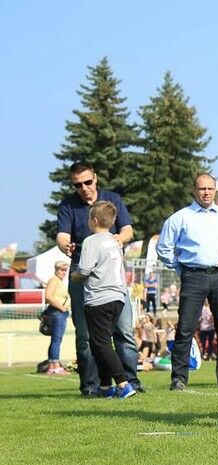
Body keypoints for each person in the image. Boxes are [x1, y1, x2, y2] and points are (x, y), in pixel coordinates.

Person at [56, 161, 142, 397]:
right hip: (83, 269)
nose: (84, 188)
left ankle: (130, 381)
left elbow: (128, 230)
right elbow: (62, 236)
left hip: (111, 273)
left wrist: (118, 239)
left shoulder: (112, 198)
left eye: (87, 182)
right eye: (78, 185)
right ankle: (93, 386)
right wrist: (67, 246)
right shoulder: (68, 205)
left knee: (123, 331)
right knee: (86, 336)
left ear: (95, 178)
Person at [156, 173, 218, 391]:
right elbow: (163, 247)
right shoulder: (180, 218)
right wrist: (180, 268)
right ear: (194, 191)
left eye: (210, 189)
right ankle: (179, 378)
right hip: (193, 276)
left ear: (215, 190)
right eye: (202, 188)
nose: (206, 192)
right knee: (185, 329)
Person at [70, 201, 137, 399]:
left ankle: (123, 384)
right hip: (118, 297)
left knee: (101, 344)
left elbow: (84, 269)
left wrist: (74, 275)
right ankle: (106, 387)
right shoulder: (115, 241)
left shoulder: (92, 241)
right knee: (100, 343)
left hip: (99, 298)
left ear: (94, 220)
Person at [44, 260, 71, 375]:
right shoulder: (54, 280)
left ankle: (52, 365)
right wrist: (62, 307)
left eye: (65, 270)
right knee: (57, 340)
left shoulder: (59, 281)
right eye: (61, 270)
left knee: (55, 340)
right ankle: (55, 365)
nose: (64, 272)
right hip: (57, 312)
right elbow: (48, 296)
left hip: (59, 313)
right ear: (56, 269)